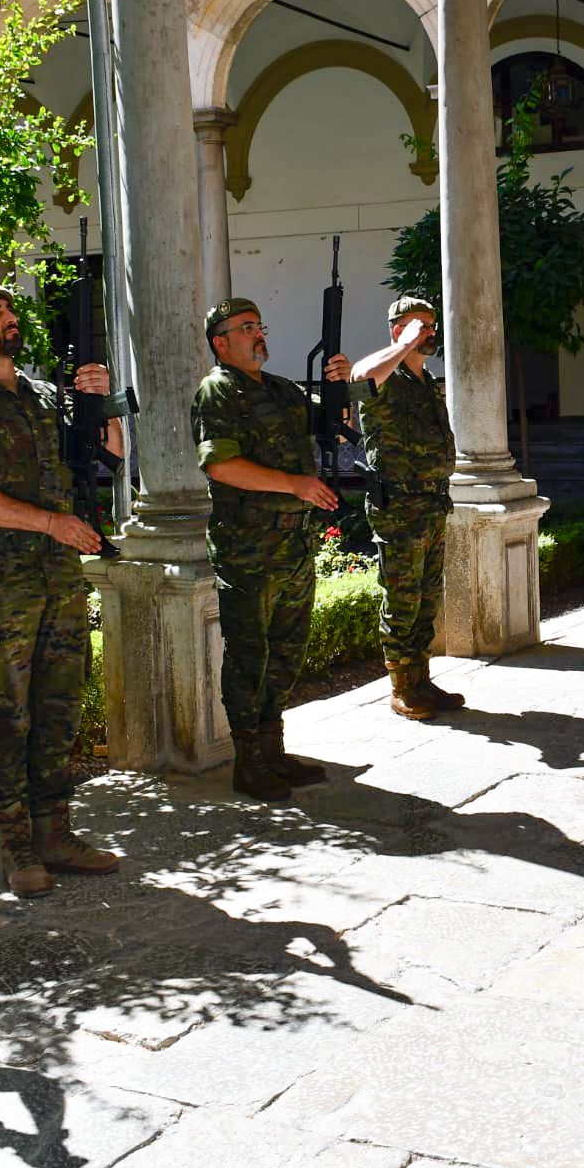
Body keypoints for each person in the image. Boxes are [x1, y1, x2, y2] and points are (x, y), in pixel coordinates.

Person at [0, 280, 124, 898]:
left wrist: (103, 408)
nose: (10, 319)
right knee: (7, 715)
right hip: (1, 583)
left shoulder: (44, 395)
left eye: (11, 309)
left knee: (59, 709)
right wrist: (49, 522)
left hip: (58, 578)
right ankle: (15, 848)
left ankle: (55, 832)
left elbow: (109, 460)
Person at [192, 297, 351, 802]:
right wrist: (294, 484)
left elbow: (331, 425)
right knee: (249, 656)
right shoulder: (219, 391)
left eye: (260, 325)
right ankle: (249, 762)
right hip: (248, 549)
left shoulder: (281, 390)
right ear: (222, 342)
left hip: (293, 546)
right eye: (246, 328)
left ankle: (273, 750)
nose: (258, 334)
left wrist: (339, 384)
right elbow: (219, 465)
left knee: (286, 651)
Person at [348, 296, 465, 720]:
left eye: (432, 326)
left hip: (432, 502)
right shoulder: (383, 377)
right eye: (419, 325)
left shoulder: (424, 382)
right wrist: (405, 345)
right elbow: (360, 375)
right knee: (401, 598)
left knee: (426, 598)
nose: (429, 332)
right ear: (397, 329)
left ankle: (421, 681)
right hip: (398, 506)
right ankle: (400, 688)